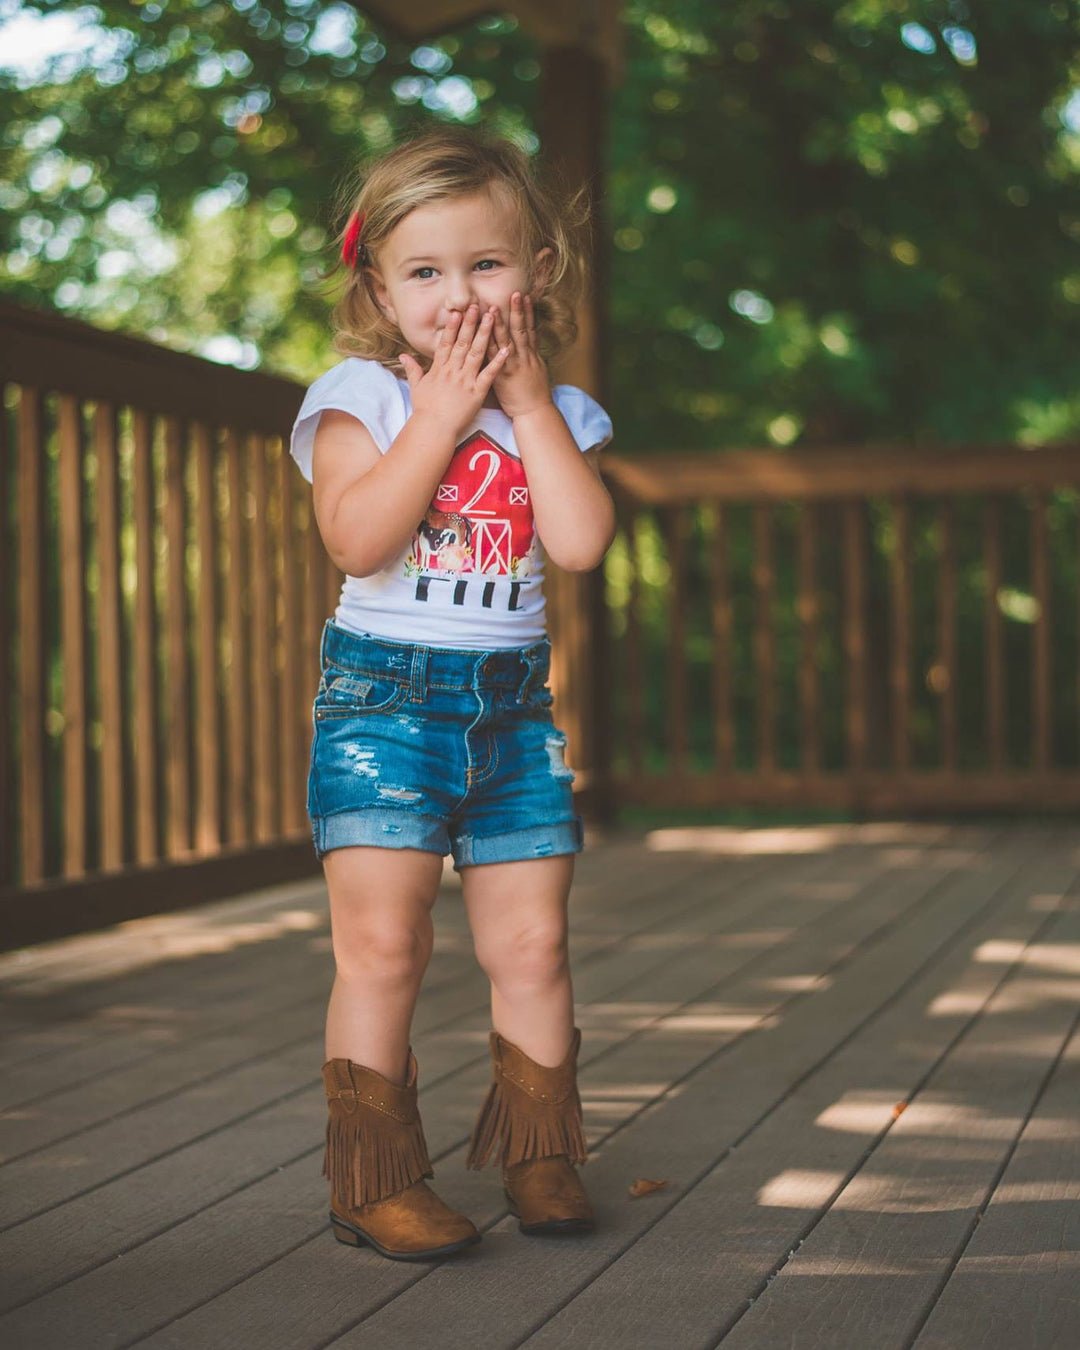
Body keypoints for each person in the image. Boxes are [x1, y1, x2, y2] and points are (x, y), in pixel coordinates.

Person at [288, 126, 616, 1262]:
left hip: (514, 717)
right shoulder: (358, 399)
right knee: (384, 947)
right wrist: (439, 412)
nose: (459, 293)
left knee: (533, 946)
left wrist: (526, 410)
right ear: (377, 286)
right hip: (383, 710)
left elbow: (577, 546)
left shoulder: (556, 416)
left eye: (487, 264)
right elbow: (356, 535)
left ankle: (540, 1153)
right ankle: (376, 1176)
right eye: (425, 271)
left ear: (537, 273)